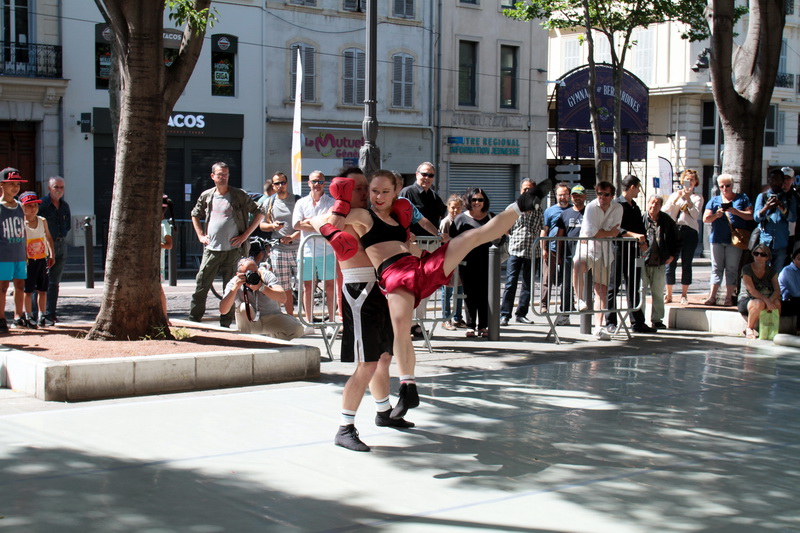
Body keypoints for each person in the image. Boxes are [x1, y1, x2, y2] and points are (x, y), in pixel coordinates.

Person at [316, 169, 545, 419]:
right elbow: (325, 221)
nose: (378, 197)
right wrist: (338, 211)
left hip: (420, 267)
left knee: (472, 237)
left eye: (385, 192)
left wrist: (422, 254)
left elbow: (412, 246)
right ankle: (408, 387)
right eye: (374, 191)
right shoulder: (364, 215)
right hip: (394, 276)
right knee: (402, 328)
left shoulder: (399, 217)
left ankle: (520, 206)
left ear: (396, 193)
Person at [323, 171, 414, 452]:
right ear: (344, 190)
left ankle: (383, 411)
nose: (364, 193)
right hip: (359, 290)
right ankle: (345, 427)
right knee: (367, 363)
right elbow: (318, 223)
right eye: (358, 188)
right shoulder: (343, 213)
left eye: (367, 187)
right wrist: (334, 218)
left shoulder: (378, 215)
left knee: (384, 356)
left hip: (383, 286)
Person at [189, 162, 265, 327]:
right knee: (201, 284)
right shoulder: (207, 195)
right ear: (213, 176)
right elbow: (194, 214)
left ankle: (225, 323)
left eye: (225, 174)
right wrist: (201, 235)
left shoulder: (238, 195)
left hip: (234, 251)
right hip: (212, 250)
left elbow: (259, 212)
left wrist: (245, 235)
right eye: (219, 174)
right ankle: (194, 320)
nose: (222, 177)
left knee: (230, 288)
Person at [400, 163, 447, 338]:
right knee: (410, 285)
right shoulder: (407, 193)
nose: (427, 178)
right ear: (416, 174)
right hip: (413, 246)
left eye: (431, 175)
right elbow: (400, 217)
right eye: (424, 174)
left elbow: (446, 213)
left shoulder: (434, 197)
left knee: (425, 287)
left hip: (431, 246)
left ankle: (418, 324)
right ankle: (407, 325)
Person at [572, 181, 622, 341]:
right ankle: (578, 299)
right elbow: (592, 232)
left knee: (601, 289)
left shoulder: (618, 208)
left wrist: (605, 233)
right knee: (578, 264)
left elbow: (615, 231)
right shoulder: (591, 207)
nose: (602, 197)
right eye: (599, 193)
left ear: (612, 196)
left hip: (605, 251)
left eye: (606, 194)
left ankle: (599, 327)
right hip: (587, 247)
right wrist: (606, 232)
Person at [606, 175, 653, 334]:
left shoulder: (635, 207)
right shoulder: (617, 205)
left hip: (633, 251)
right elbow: (616, 229)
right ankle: (610, 321)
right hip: (618, 250)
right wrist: (634, 236)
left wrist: (643, 242)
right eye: (638, 187)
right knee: (614, 285)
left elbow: (641, 229)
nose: (639, 190)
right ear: (632, 187)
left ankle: (637, 322)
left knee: (633, 287)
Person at [219, 257, 304, 340]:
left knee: (297, 329)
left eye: (255, 271)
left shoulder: (266, 275)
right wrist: (234, 290)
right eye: (248, 273)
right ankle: (246, 341)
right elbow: (223, 310)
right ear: (239, 274)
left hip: (272, 318)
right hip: (250, 321)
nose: (252, 275)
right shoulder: (234, 283)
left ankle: (272, 342)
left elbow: (283, 298)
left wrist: (262, 287)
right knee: (244, 307)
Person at [450, 188, 496, 338]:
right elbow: (452, 239)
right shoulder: (460, 219)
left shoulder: (490, 217)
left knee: (484, 294)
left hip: (487, 261)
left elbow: (499, 238)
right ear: (468, 201)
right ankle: (470, 325)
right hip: (467, 262)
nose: (477, 203)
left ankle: (483, 326)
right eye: (474, 199)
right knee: (469, 294)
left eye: (480, 200)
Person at [292, 170, 336, 327]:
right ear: (308, 183)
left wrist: (309, 222)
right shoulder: (301, 203)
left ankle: (331, 321)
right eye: (314, 181)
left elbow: (331, 224)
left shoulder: (331, 203)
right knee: (307, 287)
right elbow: (296, 224)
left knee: (330, 287)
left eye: (320, 181)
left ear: (325, 183)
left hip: (327, 251)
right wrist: (320, 223)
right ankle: (308, 323)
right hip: (307, 251)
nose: (317, 184)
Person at [703, 173, 753, 306]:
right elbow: (705, 219)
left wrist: (736, 212)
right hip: (717, 238)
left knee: (732, 268)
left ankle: (728, 298)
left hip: (735, 240)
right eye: (722, 186)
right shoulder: (714, 200)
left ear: (732, 185)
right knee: (716, 268)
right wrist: (716, 215)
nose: (725, 189)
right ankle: (712, 297)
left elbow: (750, 215)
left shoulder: (742, 198)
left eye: (727, 186)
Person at [260, 172, 301, 316]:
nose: (280, 186)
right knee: (284, 287)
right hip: (278, 249)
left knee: (304, 285)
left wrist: (294, 236)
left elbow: (306, 223)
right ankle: (290, 317)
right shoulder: (269, 202)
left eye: (283, 183)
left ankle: (304, 317)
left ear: (287, 183)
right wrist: (273, 226)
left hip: (299, 248)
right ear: (273, 186)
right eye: (277, 183)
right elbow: (262, 225)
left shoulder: (297, 200)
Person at [662, 169, 704, 306]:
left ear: (695, 182)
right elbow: (665, 210)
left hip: (689, 231)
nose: (689, 182)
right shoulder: (675, 195)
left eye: (692, 180)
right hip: (675, 230)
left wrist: (688, 199)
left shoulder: (697, 197)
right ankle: (668, 294)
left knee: (687, 264)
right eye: (687, 179)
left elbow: (695, 215)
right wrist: (676, 198)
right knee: (670, 263)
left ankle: (684, 295)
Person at [500, 179, 538, 326]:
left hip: (532, 251)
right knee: (510, 283)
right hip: (515, 251)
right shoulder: (512, 207)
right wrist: (512, 238)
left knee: (528, 285)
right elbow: (504, 226)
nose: (526, 192)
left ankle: (521, 314)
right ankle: (505, 315)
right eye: (524, 189)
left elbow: (542, 228)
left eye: (530, 189)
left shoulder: (537, 208)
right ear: (520, 190)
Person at [641, 195, 680, 329]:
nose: (654, 206)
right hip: (643, 262)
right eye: (652, 203)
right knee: (641, 291)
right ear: (648, 203)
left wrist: (673, 256)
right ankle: (640, 320)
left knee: (657, 292)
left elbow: (677, 239)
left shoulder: (666, 220)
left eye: (657, 203)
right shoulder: (641, 219)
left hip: (659, 262)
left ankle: (657, 320)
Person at [37, 175, 71, 327]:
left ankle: (51, 313)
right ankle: (37, 313)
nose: (59, 190)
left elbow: (68, 225)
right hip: (44, 246)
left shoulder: (65, 206)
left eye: (61, 187)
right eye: (56, 187)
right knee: (42, 281)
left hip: (61, 245)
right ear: (49, 188)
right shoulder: (42, 205)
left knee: (55, 283)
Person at [19, 192, 55, 329]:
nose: (33, 208)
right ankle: (28, 315)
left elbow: (49, 238)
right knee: (28, 291)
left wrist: (52, 254)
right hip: (28, 261)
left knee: (43, 289)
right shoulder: (21, 223)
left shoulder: (42, 221)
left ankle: (42, 314)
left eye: (35, 205)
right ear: (22, 207)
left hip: (42, 259)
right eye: (29, 206)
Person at [553, 184, 587, 325]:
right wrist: (558, 255)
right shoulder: (564, 214)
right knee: (567, 286)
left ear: (585, 196)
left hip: (586, 255)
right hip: (568, 255)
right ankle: (565, 314)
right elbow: (560, 236)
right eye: (574, 195)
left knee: (587, 284)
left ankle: (588, 316)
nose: (576, 197)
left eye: (579, 194)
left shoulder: (590, 212)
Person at [0, 168, 28, 333]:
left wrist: (25, 251)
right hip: (4, 255)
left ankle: (19, 316)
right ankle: (1, 317)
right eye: (12, 184)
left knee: (20, 285)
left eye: (18, 184)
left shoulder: (20, 206)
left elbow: (23, 230)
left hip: (19, 253)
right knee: (3, 287)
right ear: (2, 185)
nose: (16, 187)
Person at [754, 168, 797, 270]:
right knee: (762, 271)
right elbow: (756, 217)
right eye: (773, 180)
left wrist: (782, 208)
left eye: (778, 180)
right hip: (765, 241)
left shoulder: (789, 197)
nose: (775, 183)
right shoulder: (763, 196)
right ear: (769, 180)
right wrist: (766, 207)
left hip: (781, 242)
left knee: (776, 274)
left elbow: (793, 218)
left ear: (782, 181)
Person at [737, 243, 781, 339]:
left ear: (767, 257)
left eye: (763, 254)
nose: (759, 256)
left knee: (777, 303)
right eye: (756, 253)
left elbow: (777, 290)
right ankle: (749, 328)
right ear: (753, 254)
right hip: (747, 299)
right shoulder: (746, 269)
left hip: (766, 298)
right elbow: (751, 290)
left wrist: (771, 300)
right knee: (758, 303)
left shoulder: (772, 271)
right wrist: (767, 301)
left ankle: (771, 329)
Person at [540, 182, 571, 312]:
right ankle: (544, 306)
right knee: (547, 279)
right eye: (560, 195)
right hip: (552, 250)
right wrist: (543, 248)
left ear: (569, 196)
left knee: (567, 281)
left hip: (568, 251)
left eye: (564, 195)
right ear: (556, 196)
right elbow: (544, 230)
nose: (562, 197)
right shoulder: (550, 211)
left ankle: (566, 306)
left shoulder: (573, 210)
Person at [440, 194, 465, 330]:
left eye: (458, 208)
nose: (455, 211)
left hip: (461, 259)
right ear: (448, 207)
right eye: (453, 208)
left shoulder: (463, 221)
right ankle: (445, 318)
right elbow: (442, 241)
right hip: (449, 258)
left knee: (460, 289)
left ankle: (457, 317)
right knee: (447, 290)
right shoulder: (446, 222)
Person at [779, 247, 800, 333]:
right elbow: (795, 293)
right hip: (787, 302)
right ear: (793, 259)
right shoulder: (787, 271)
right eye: (799, 259)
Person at [160, 196, 174, 322]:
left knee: (159, 289)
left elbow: (169, 244)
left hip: (158, 263)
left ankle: (165, 316)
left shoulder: (164, 225)